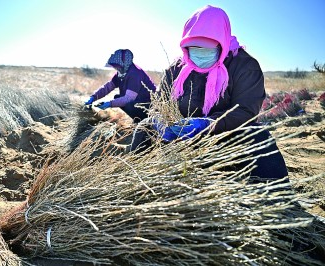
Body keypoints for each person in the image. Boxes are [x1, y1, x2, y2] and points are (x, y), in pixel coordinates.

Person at [131, 5, 288, 181]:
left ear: (222, 43)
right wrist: (160, 120)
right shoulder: (176, 69)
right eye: (193, 48)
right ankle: (136, 179)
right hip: (179, 139)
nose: (199, 54)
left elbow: (246, 111)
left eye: (207, 49)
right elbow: (159, 103)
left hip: (223, 137)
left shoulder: (244, 66)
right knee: (145, 126)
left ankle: (277, 197)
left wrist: (207, 125)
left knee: (258, 136)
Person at [84, 49, 157, 123]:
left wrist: (109, 104)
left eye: (117, 66)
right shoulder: (121, 73)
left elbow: (128, 98)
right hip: (139, 101)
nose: (116, 68)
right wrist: (93, 97)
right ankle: (138, 120)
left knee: (129, 105)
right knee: (117, 97)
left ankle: (144, 122)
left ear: (123, 64)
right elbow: (108, 87)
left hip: (149, 105)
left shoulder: (135, 74)